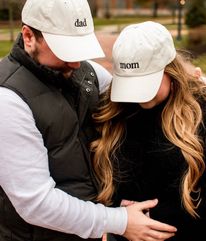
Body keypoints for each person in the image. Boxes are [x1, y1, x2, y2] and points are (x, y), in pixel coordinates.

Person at [0, 1, 178, 240]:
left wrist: (190, 90)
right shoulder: (8, 99)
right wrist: (119, 221)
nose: (76, 63)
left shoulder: (87, 73)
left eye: (79, 49)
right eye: (66, 51)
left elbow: (137, 95)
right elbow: (36, 202)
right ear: (29, 36)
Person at [90, 21, 206, 241]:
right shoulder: (112, 111)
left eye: (146, 83)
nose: (138, 96)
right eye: (131, 84)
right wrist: (117, 212)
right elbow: (97, 177)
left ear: (171, 70)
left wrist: (154, 217)